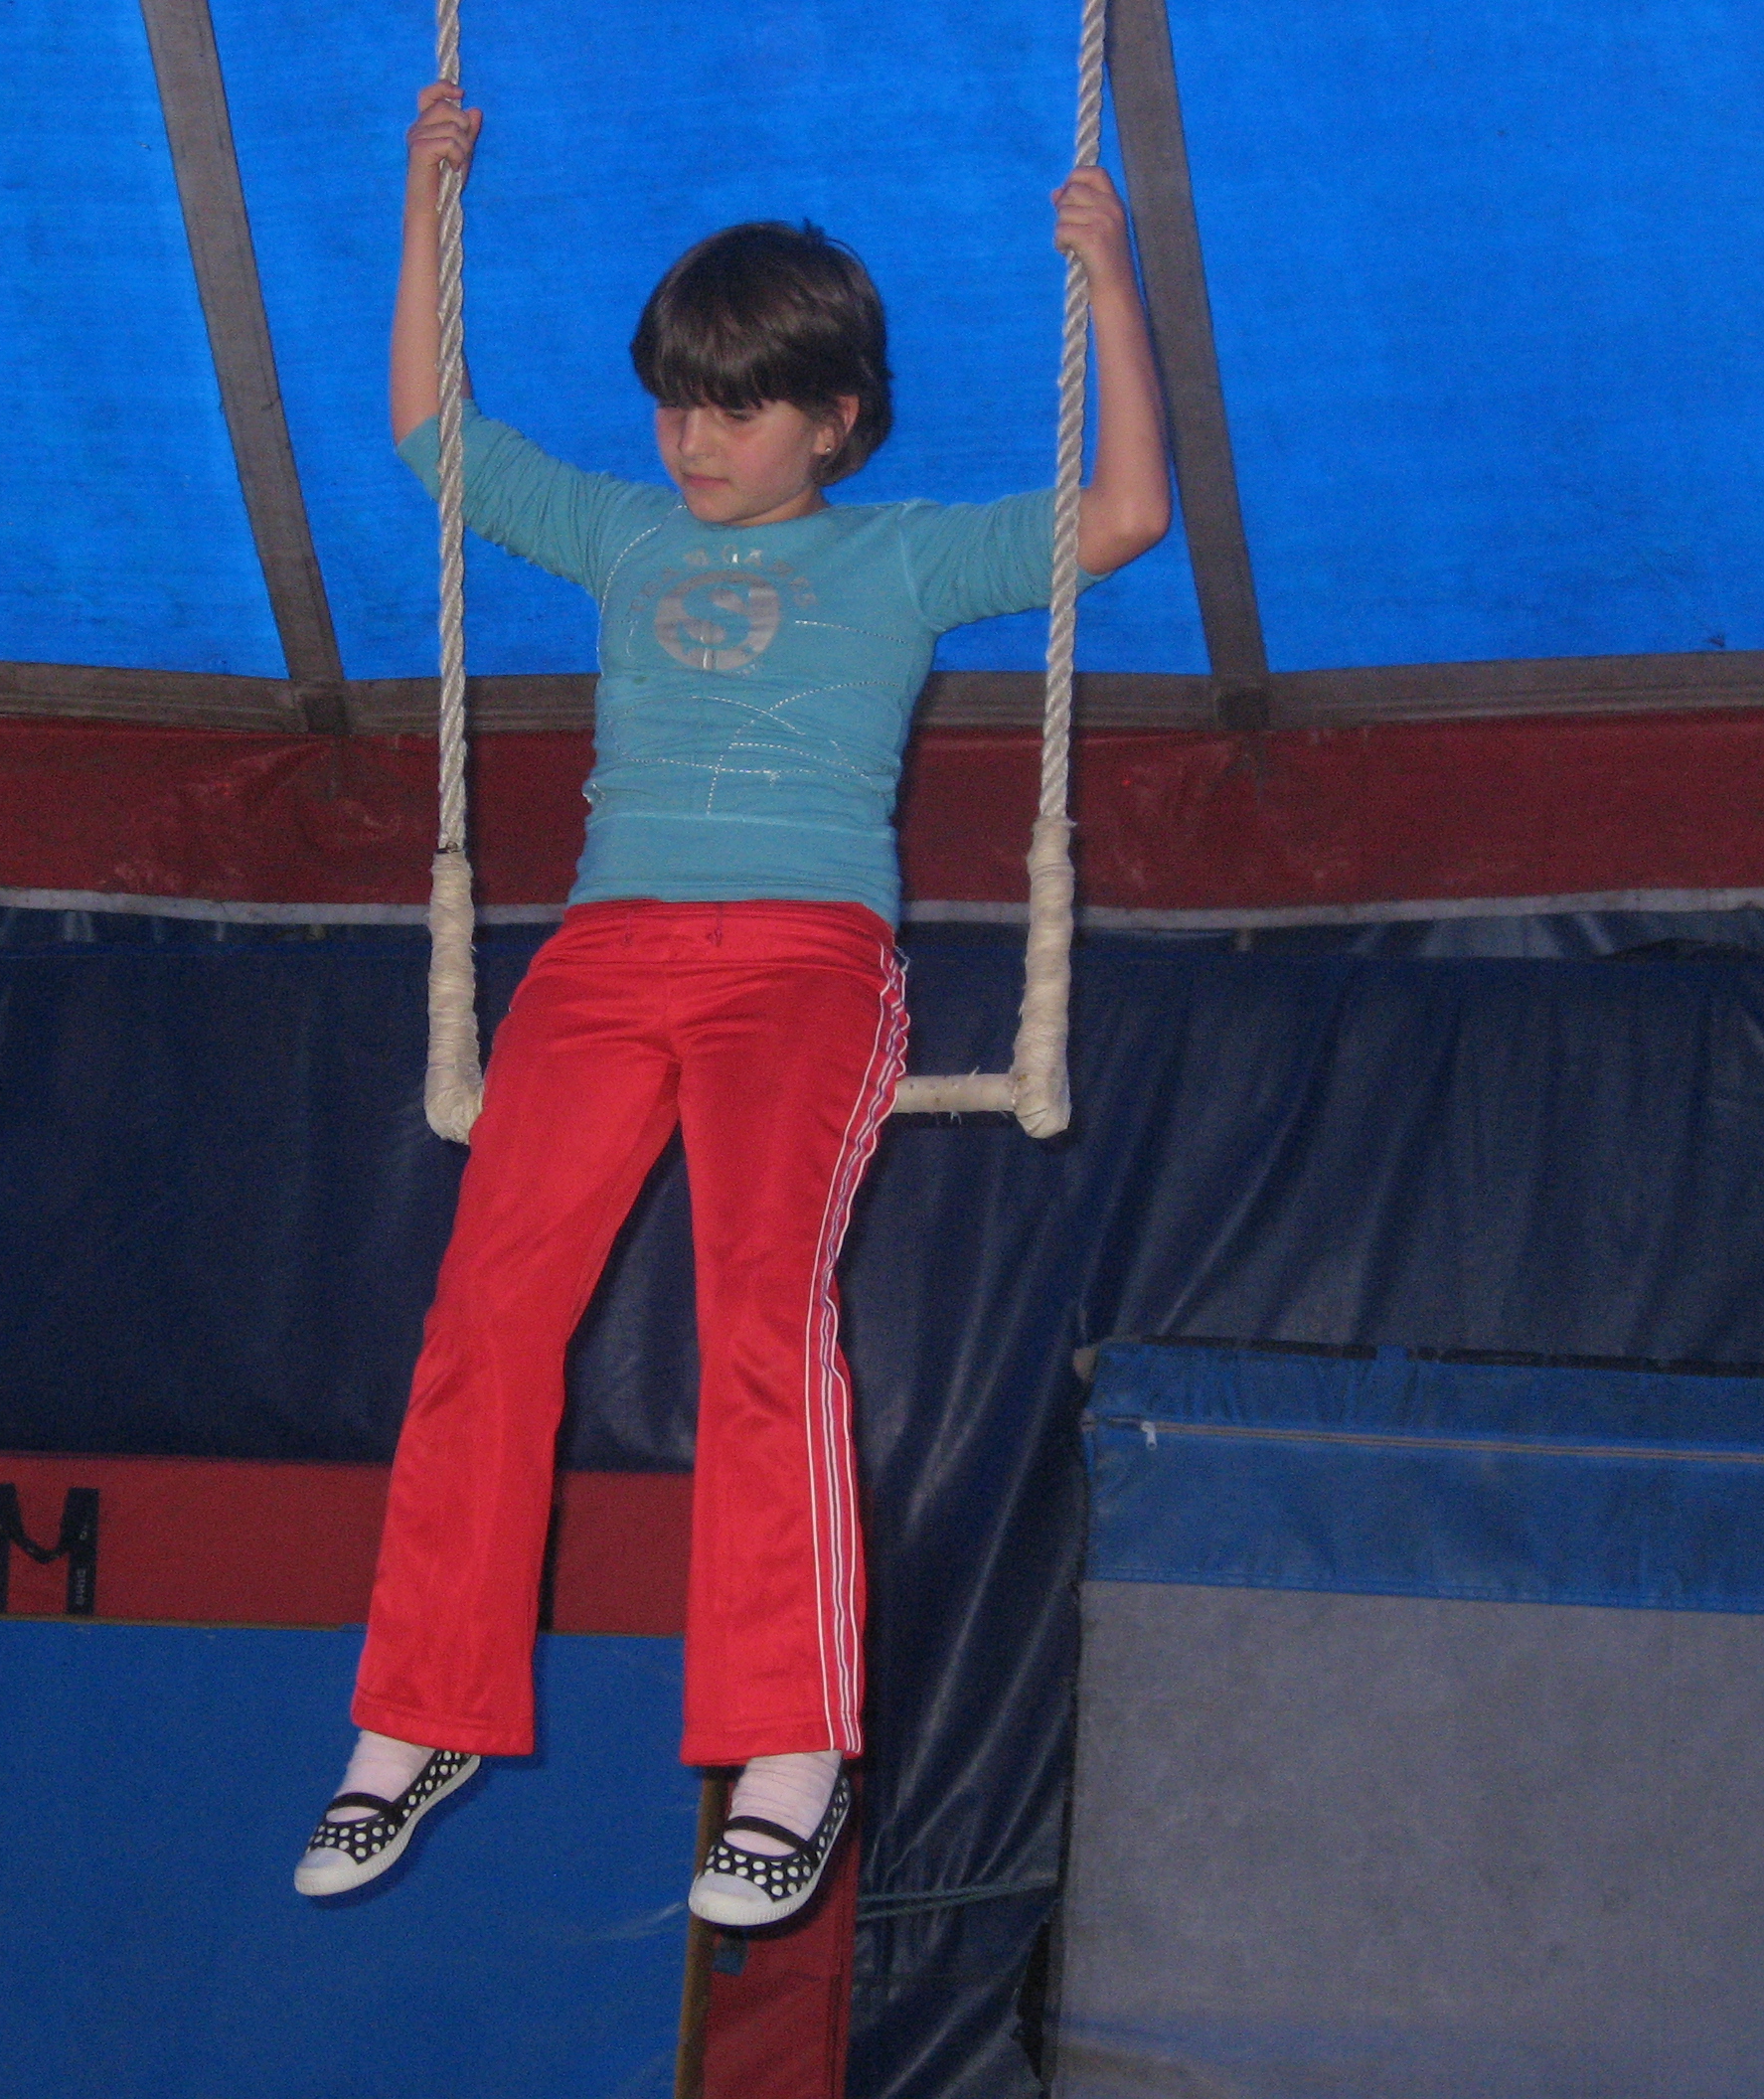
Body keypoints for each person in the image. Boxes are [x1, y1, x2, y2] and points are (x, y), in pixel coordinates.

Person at [295, 81, 1169, 1927]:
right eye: (675, 401)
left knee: (762, 1316)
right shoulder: (626, 534)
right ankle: (423, 1710)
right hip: (603, 961)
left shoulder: (902, 554)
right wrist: (424, 202)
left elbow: (1123, 514)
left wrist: (1108, 277)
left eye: (736, 407)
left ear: (833, 420)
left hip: (801, 963)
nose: (692, 438)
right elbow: (431, 431)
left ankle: (790, 1746)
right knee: (486, 1315)